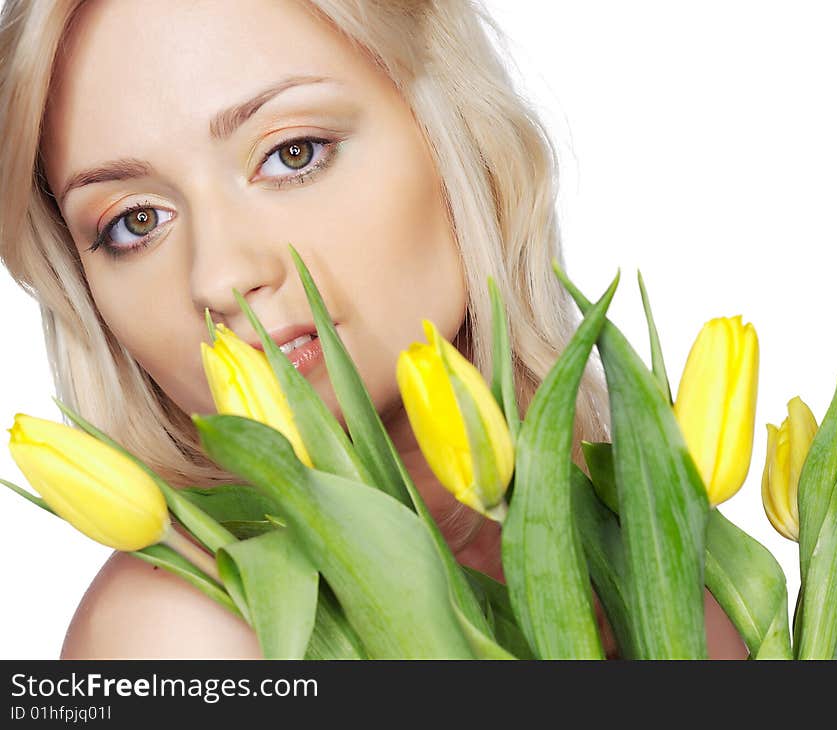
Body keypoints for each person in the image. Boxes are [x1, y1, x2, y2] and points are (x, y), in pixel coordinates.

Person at [0, 0, 746, 659]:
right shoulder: (180, 637)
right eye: (135, 223)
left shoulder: (652, 535)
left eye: (293, 153)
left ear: (453, 129)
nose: (220, 278)